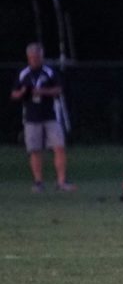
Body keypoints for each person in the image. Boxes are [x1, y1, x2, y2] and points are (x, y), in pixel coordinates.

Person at [9, 42, 74, 192]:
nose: (35, 59)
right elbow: (14, 94)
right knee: (35, 150)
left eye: (37, 56)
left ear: (41, 56)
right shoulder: (23, 74)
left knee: (59, 147)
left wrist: (42, 91)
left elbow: (58, 89)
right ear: (28, 57)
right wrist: (24, 93)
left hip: (50, 115)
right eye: (32, 57)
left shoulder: (49, 72)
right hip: (31, 117)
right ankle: (38, 182)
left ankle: (61, 181)